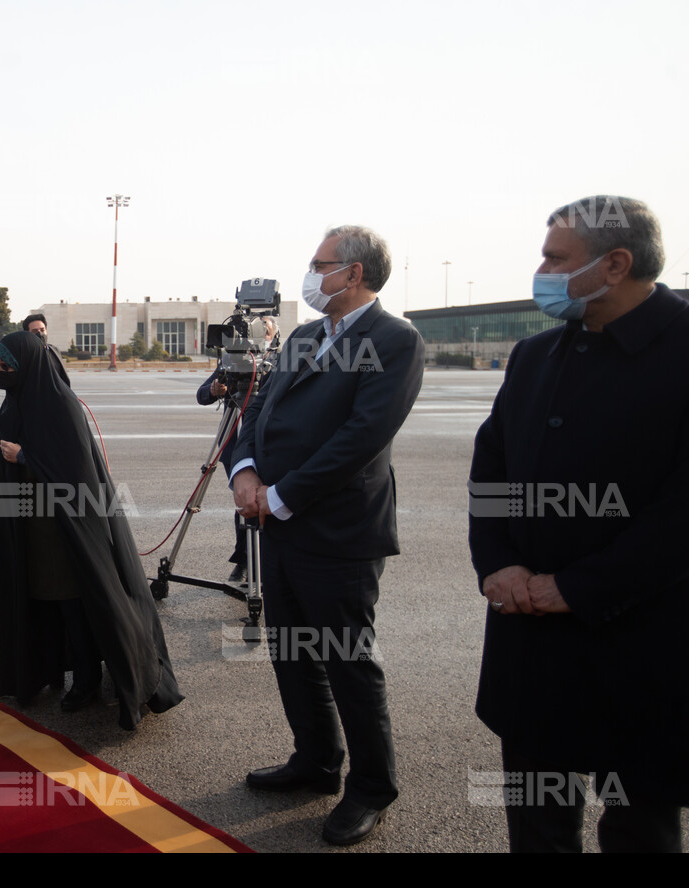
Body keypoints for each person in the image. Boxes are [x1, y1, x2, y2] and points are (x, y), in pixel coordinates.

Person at [469, 195, 687, 853]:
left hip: (646, 645)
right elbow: (494, 470)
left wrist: (580, 587)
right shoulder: (537, 356)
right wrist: (499, 563)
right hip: (532, 642)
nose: (541, 271)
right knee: (538, 823)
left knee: (641, 825)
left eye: (554, 258)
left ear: (615, 263)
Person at [231, 225, 424, 846]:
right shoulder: (306, 335)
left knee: (347, 661)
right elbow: (259, 410)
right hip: (276, 522)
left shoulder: (394, 340)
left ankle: (370, 786)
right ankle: (315, 761)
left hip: (338, 532)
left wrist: (281, 497)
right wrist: (245, 472)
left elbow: (360, 439)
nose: (311, 275)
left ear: (355, 274)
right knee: (292, 654)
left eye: (321, 265)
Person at [0, 330, 183, 729]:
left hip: (65, 524)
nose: (0, 372)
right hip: (32, 520)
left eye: (6, 365)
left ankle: (88, 677)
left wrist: (24, 455)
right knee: (48, 597)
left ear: (27, 366)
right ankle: (53, 668)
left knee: (72, 597)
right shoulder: (20, 399)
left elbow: (75, 472)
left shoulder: (59, 404)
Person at [198, 315, 278, 585]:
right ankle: (243, 562)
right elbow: (202, 395)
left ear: (273, 335)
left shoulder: (280, 362)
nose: (256, 337)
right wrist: (214, 389)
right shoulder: (232, 360)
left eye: (263, 331)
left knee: (267, 502)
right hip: (234, 438)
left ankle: (268, 563)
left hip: (269, 443)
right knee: (244, 501)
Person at [22, 312, 69, 386]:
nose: (40, 334)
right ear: (26, 334)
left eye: (42, 330)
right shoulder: (22, 355)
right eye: (35, 331)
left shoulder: (54, 351)